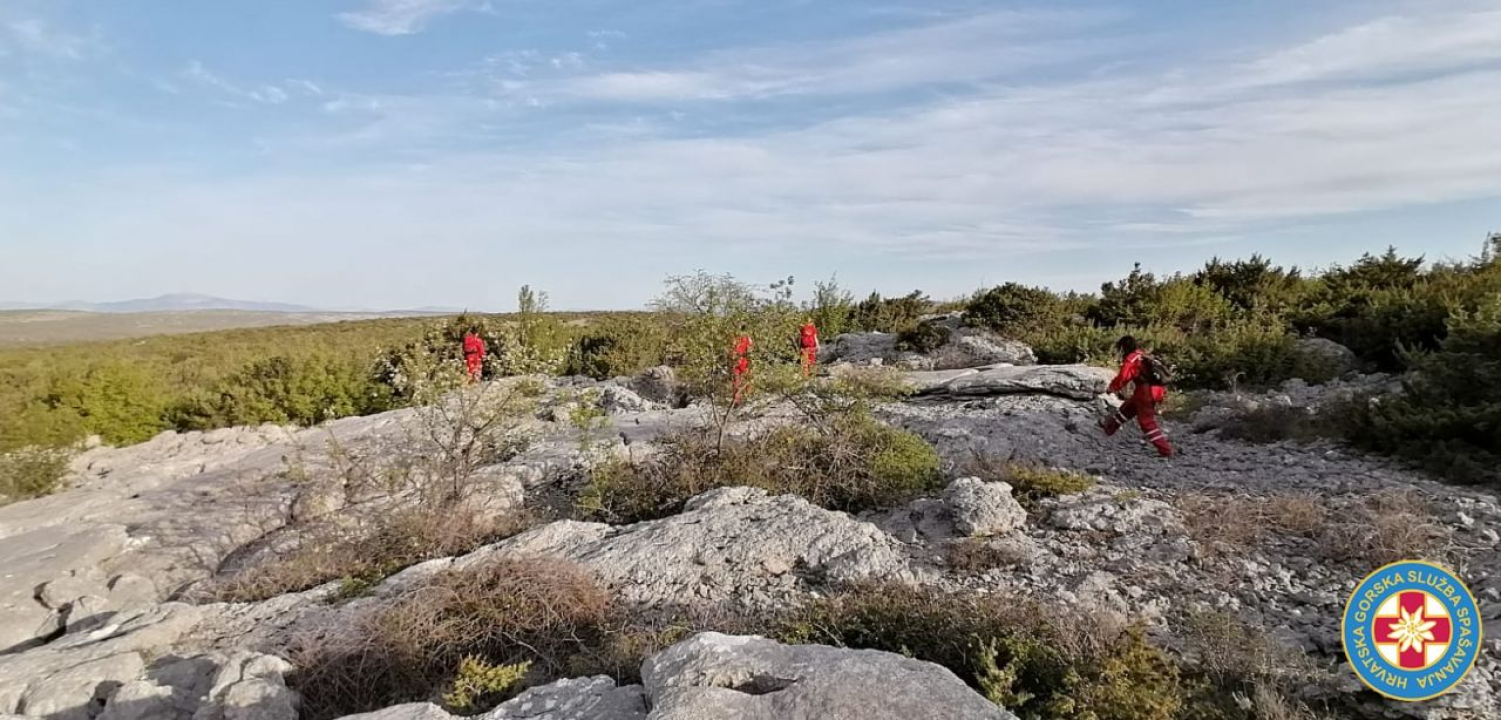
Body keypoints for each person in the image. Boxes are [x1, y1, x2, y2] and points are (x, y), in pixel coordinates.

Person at [1101, 335, 1174, 457]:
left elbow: (1124, 377)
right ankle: (1108, 428)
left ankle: (1165, 450)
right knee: (1128, 409)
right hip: (1156, 390)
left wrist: (1112, 388)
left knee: (1146, 422)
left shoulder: (1132, 358)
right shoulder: (1142, 355)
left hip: (1145, 391)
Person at [730, 328, 753, 406]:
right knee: (737, 381)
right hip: (739, 361)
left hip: (742, 361)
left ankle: (745, 398)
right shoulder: (737, 338)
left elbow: (750, 350)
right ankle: (737, 400)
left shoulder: (745, 338)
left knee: (745, 380)